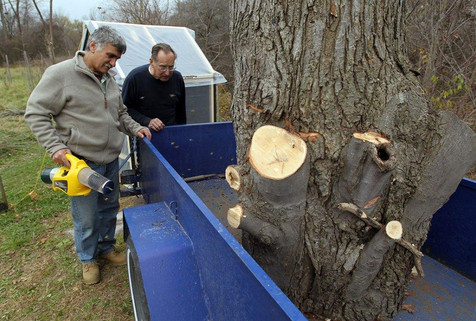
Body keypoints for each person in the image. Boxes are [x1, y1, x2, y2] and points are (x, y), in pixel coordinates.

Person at [25, 26, 151, 285]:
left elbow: (120, 114)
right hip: (81, 163)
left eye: (117, 59)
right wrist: (56, 147)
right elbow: (35, 113)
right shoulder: (60, 74)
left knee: (109, 208)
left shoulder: (109, 77)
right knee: (87, 216)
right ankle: (87, 259)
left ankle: (105, 249)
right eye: (110, 56)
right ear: (92, 46)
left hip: (110, 160)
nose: (113, 63)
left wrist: (137, 128)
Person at [122, 43, 186, 131]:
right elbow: (125, 110)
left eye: (171, 67)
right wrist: (147, 121)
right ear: (151, 62)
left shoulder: (177, 78)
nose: (167, 72)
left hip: (171, 132)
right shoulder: (135, 78)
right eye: (163, 67)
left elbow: (181, 111)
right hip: (144, 133)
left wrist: (183, 132)